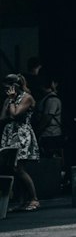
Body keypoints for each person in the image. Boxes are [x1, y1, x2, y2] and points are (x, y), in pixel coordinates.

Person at [1, 73, 40, 211]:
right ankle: (22, 201)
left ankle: (34, 199)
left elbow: (16, 114)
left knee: (19, 168)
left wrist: (11, 102)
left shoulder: (26, 97)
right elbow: (3, 117)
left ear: (15, 87)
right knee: (13, 169)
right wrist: (9, 101)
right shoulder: (9, 99)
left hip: (22, 134)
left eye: (8, 87)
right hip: (10, 134)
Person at [34, 73, 67, 187]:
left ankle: (58, 182)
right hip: (48, 134)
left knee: (53, 160)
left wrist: (37, 131)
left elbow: (47, 117)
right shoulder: (46, 98)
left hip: (52, 134)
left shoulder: (52, 99)